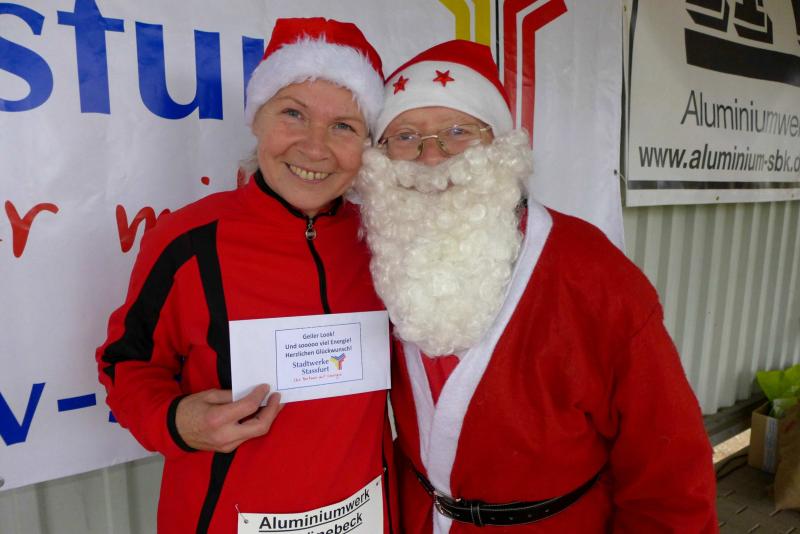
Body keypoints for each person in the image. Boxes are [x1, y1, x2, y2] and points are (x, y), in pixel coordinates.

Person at [355, 40, 717, 533]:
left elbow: (669, 464)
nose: (432, 156)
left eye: (458, 131)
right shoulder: (380, 259)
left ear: (498, 145)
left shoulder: (591, 270)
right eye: (405, 136)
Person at [96, 18, 396, 534]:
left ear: (367, 144)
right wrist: (178, 421)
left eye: (344, 126)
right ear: (257, 119)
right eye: (293, 114)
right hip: (223, 517)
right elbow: (126, 363)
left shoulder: (388, 242)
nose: (315, 148)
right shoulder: (189, 240)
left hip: (366, 517)